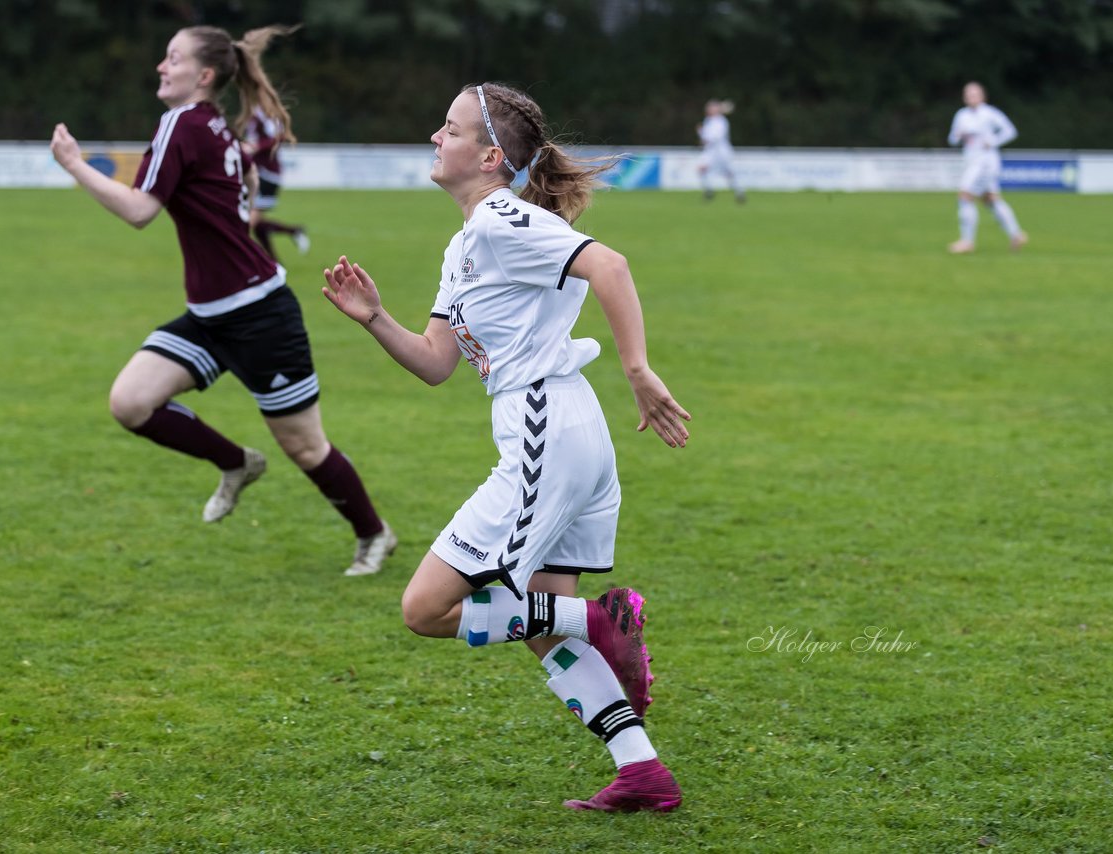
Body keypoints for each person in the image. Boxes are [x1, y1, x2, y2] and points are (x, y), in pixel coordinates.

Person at [322, 82, 692, 812]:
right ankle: (641, 769)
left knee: (425, 608)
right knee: (537, 621)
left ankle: (603, 621)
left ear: (490, 156)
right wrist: (372, 318)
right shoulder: (467, 241)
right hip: (569, 433)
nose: (435, 135)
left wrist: (640, 372)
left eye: (450, 128)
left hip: (542, 431)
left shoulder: (499, 218)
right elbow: (435, 361)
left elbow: (609, 266)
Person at [49, 24, 395, 576]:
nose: (161, 67)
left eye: (172, 58)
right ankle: (236, 463)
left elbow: (141, 210)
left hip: (261, 317)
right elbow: (249, 182)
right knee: (130, 403)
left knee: (307, 449)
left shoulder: (184, 123)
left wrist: (74, 164)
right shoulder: (214, 128)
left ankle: (374, 534)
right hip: (210, 318)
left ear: (203, 76)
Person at [947, 81, 1027, 254]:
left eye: (974, 94)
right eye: (968, 94)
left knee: (965, 195)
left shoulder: (990, 114)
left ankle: (967, 241)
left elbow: (1010, 131)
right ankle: (1016, 234)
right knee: (991, 199)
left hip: (986, 162)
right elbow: (952, 139)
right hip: (971, 161)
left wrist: (992, 141)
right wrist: (957, 135)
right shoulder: (961, 115)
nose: (971, 97)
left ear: (982, 96)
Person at [241, 104, 311, 258]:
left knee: (245, 225)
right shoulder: (253, 113)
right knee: (255, 225)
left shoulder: (264, 114)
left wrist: (255, 147)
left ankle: (249, 263)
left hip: (266, 175)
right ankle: (275, 261)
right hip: (257, 172)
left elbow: (277, 137)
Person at [696, 98, 745, 204]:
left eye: (711, 107)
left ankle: (740, 192)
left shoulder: (721, 121)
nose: (708, 109)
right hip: (710, 151)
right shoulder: (708, 120)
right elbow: (705, 137)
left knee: (729, 173)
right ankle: (709, 191)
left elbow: (715, 137)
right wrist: (701, 132)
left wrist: (704, 137)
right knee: (701, 169)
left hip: (722, 152)